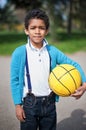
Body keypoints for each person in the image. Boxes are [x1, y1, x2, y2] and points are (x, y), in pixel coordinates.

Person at [10, 9, 86, 130]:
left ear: (47, 31)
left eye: (41, 28)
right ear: (26, 30)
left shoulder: (52, 51)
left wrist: (85, 83)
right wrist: (18, 105)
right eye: (33, 28)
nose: (37, 31)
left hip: (49, 103)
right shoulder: (19, 53)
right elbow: (14, 80)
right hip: (29, 104)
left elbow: (74, 65)